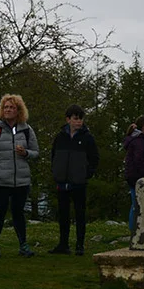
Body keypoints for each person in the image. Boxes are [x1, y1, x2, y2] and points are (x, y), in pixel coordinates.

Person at [0, 94, 39, 258]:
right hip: (0, 182)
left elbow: (36, 152)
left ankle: (23, 245)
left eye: (12, 107)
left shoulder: (27, 130)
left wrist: (26, 153)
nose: (8, 110)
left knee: (19, 213)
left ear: (18, 110)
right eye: (5, 107)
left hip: (21, 181)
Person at [48, 104, 100, 256]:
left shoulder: (87, 138)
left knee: (80, 214)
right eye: (76, 119)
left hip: (79, 182)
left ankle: (79, 245)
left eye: (80, 119)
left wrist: (86, 174)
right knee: (63, 214)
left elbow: (94, 158)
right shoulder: (60, 137)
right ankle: (63, 244)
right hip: (62, 181)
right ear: (68, 119)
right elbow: (53, 155)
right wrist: (56, 171)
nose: (79, 122)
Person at [123, 115, 144, 233]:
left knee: (136, 203)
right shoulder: (140, 141)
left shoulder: (135, 139)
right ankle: (135, 231)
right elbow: (139, 160)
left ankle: (136, 230)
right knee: (137, 204)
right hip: (137, 176)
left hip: (133, 175)